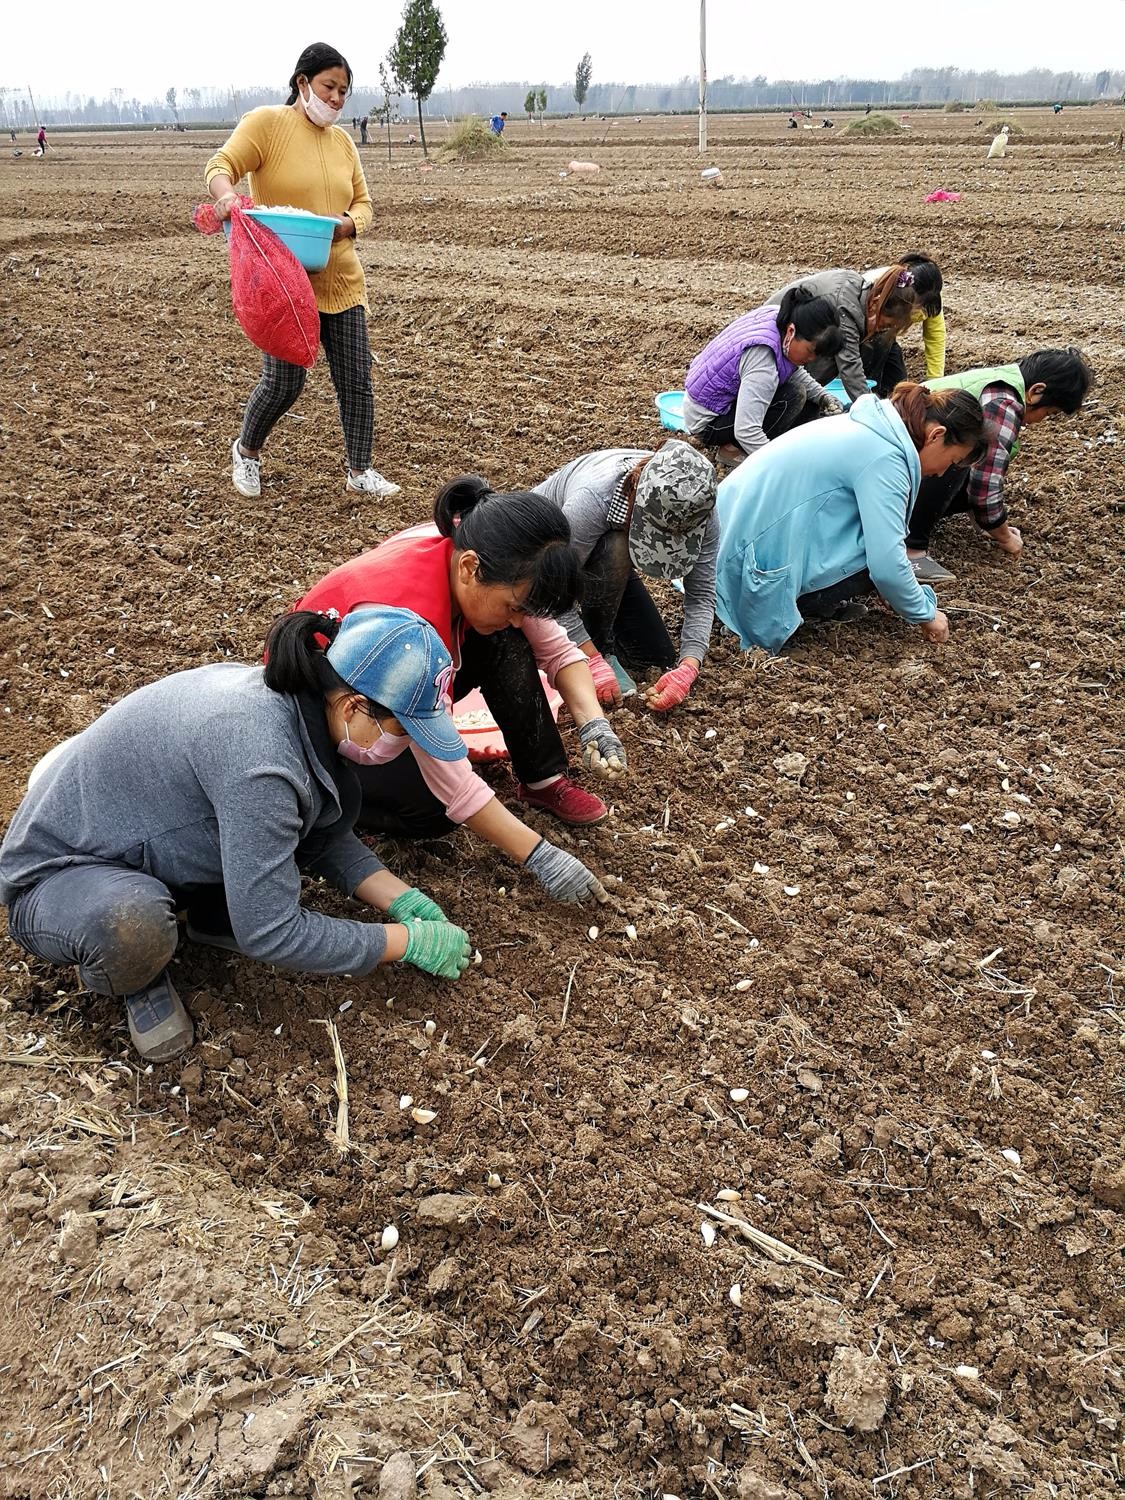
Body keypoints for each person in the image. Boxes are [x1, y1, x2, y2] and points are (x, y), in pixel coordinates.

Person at [0, 607, 477, 1064]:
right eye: (403, 730)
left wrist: (401, 899)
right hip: (61, 875)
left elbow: (317, 832)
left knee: (261, 855)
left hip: (148, 837)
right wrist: (404, 942)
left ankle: (209, 915)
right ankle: (138, 976)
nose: (405, 745)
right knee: (133, 927)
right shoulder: (259, 757)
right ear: (354, 706)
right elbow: (273, 932)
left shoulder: (299, 708)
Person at [293, 477, 624, 901]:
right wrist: (540, 856)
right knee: (432, 810)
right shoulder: (412, 624)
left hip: (382, 689)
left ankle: (542, 779)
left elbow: (558, 651)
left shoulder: (485, 550)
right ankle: (335, 807)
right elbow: (454, 785)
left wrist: (594, 723)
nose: (520, 617)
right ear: (469, 568)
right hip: (331, 721)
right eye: (514, 606)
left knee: (507, 638)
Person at [205, 42, 401, 501]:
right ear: (302, 83)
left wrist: (347, 225)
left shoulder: (343, 143)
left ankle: (360, 470)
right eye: (329, 87)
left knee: (355, 380)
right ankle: (247, 451)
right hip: (284, 283)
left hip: (342, 278)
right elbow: (221, 165)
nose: (336, 99)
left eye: (344, 92)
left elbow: (363, 203)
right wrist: (226, 196)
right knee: (285, 381)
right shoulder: (267, 125)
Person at [714, 383, 987, 654]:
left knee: (876, 544)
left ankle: (812, 603)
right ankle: (791, 608)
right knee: (877, 558)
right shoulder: (886, 458)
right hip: (737, 571)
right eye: (953, 461)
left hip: (722, 542)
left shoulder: (874, 426)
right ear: (937, 435)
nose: (942, 473)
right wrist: (926, 614)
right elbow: (887, 565)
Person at [534, 440, 718, 711]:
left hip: (604, 567)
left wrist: (689, 665)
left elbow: (701, 594)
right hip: (542, 561)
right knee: (617, 547)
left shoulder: (698, 509)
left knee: (657, 658)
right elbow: (547, 590)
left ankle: (599, 639)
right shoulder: (594, 499)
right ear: (636, 497)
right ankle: (599, 647)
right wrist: (590, 657)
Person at [906, 348, 1093, 583]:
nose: (1041, 421)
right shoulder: (1003, 403)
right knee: (958, 458)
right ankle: (912, 549)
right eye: (1048, 413)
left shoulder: (1003, 381)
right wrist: (1004, 536)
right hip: (904, 466)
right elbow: (984, 483)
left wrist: (990, 524)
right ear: (1036, 392)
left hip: (908, 467)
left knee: (970, 456)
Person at [681, 288, 846, 466]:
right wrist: (779, 465)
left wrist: (823, 396)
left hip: (708, 404)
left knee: (809, 401)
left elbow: (791, 370)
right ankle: (732, 450)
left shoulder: (779, 318)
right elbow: (746, 431)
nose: (812, 359)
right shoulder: (763, 361)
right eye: (811, 351)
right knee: (792, 396)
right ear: (791, 331)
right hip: (708, 422)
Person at [766, 258, 939, 405]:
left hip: (799, 336)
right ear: (875, 304)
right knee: (829, 357)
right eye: (884, 325)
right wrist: (873, 411)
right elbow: (850, 367)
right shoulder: (846, 308)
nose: (881, 330)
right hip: (773, 341)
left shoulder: (871, 297)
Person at [860, 253, 946, 393]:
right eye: (917, 303)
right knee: (870, 376)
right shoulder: (880, 284)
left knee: (899, 383)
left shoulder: (930, 297)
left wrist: (935, 381)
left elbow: (935, 336)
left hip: (888, 335)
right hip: (862, 331)